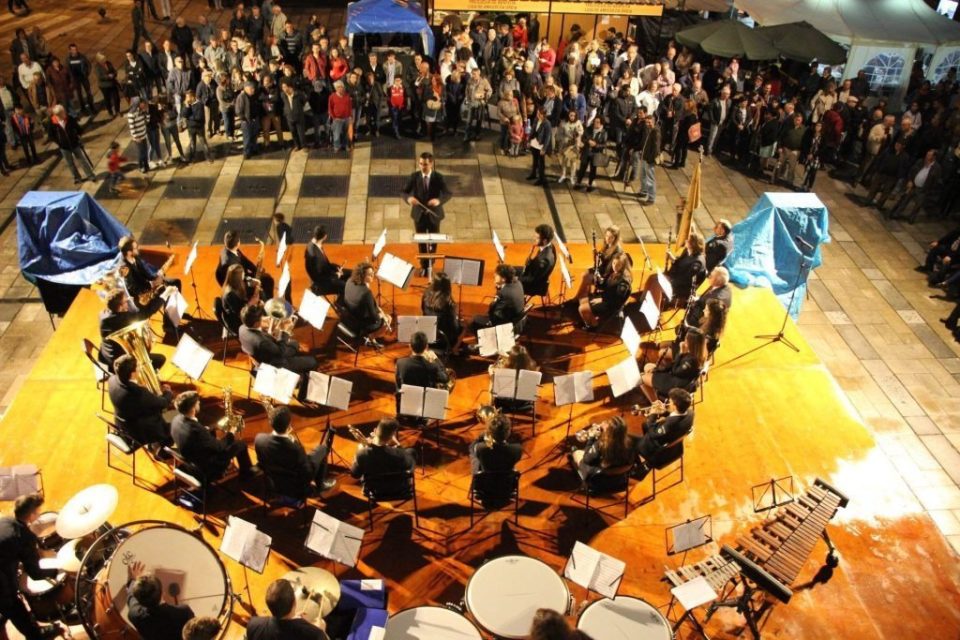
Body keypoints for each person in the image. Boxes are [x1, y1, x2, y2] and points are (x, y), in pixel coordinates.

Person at [0, 494, 63, 640]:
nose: (39, 514)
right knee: (15, 608)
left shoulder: (5, 520)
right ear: (32, 515)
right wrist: (57, 571)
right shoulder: (25, 536)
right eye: (38, 511)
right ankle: (36, 635)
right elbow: (35, 574)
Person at [238, 304, 319, 401]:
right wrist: (284, 331)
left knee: (295, 344)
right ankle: (302, 394)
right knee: (313, 362)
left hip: (262, 359)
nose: (263, 319)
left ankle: (299, 372)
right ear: (255, 323)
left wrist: (269, 330)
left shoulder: (242, 328)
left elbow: (264, 340)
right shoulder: (261, 342)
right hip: (275, 365)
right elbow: (281, 352)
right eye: (261, 318)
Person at [171, 391, 256, 481]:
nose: (199, 403)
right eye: (197, 403)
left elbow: (196, 437)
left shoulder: (176, 420)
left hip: (192, 460)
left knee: (212, 432)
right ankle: (247, 474)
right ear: (193, 408)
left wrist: (207, 430)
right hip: (208, 467)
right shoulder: (196, 430)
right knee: (241, 444)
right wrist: (231, 433)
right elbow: (219, 447)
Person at [254, 405, 336, 497]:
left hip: (272, 484)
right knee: (322, 449)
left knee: (311, 455)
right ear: (289, 425)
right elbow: (307, 474)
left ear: (271, 422)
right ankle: (320, 485)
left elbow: (261, 463)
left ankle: (320, 483)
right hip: (296, 489)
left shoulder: (259, 439)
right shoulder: (295, 448)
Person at [108, 354, 173, 449]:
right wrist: (168, 392)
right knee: (174, 420)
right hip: (139, 431)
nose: (139, 368)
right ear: (132, 374)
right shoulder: (138, 393)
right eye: (137, 367)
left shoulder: (112, 380)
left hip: (122, 424)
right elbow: (163, 403)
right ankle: (160, 446)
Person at [402, 152, 451, 275]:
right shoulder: (414, 176)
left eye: (425, 164)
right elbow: (404, 192)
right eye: (420, 164)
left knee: (433, 240)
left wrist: (438, 201)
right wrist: (409, 198)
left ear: (431, 164)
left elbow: (448, 193)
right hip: (419, 215)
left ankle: (431, 264)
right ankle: (424, 266)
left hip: (434, 215)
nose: (422, 167)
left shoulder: (438, 177)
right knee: (422, 241)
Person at [456, 264, 525, 352]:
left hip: (505, 324)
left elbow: (494, 314)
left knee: (473, 320)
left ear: (503, 279)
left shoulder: (504, 293)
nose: (494, 276)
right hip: (516, 321)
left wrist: (497, 295)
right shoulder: (518, 283)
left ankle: (484, 345)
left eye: (496, 275)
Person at [99, 289, 168, 370]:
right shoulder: (122, 319)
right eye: (125, 301)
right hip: (119, 362)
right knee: (161, 359)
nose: (128, 300)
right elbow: (145, 313)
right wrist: (164, 296)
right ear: (120, 307)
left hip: (106, 355)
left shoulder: (103, 313)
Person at [126, 560, 195, 640]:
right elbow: (196, 631)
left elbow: (131, 596)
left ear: (139, 600)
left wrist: (133, 580)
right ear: (162, 593)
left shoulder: (134, 615)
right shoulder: (183, 612)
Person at [245, 579, 329, 640]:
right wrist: (322, 631)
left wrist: (294, 620)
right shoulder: (315, 635)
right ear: (295, 602)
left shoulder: (253, 625)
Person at [634, 388, 694, 472]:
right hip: (676, 448)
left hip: (660, 454)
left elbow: (652, 433)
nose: (668, 402)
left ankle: (641, 467)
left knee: (630, 441)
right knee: (645, 425)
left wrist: (653, 414)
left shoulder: (669, 424)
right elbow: (676, 416)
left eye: (670, 401)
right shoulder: (691, 413)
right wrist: (665, 411)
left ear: (675, 406)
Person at [639, 331, 707, 404]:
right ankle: (655, 391)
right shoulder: (699, 355)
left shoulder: (691, 361)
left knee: (641, 379)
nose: (685, 340)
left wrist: (681, 353)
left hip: (675, 385)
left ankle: (656, 404)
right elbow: (675, 368)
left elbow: (675, 371)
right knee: (648, 367)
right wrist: (660, 370)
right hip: (679, 380)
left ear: (691, 343)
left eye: (686, 339)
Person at [578, 252, 633, 330]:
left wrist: (602, 299)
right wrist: (597, 280)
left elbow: (617, 300)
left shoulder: (624, 282)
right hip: (606, 297)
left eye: (618, 265)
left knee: (582, 308)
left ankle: (593, 326)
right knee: (582, 300)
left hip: (611, 305)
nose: (614, 266)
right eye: (614, 263)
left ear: (623, 266)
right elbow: (605, 286)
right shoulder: (615, 273)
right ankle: (588, 320)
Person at [119, 235, 181, 303]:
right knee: (166, 291)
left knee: (176, 282)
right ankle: (168, 307)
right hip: (143, 294)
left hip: (149, 284)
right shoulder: (125, 268)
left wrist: (156, 276)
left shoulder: (135, 256)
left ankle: (176, 305)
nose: (138, 249)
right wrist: (151, 284)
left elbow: (146, 272)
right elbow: (133, 289)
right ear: (129, 252)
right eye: (135, 248)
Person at [570, 415, 634, 481]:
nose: (603, 423)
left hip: (600, 480)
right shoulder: (629, 443)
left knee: (576, 452)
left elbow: (586, 460)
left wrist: (592, 438)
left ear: (609, 433)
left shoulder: (600, 445)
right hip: (620, 479)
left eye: (606, 423)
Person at [351, 417, 417, 480]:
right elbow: (406, 460)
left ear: (375, 430)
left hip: (374, 487)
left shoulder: (362, 454)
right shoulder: (404, 455)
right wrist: (397, 443)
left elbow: (355, 475)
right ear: (392, 436)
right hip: (397, 487)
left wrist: (361, 451)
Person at [216, 230, 274, 299]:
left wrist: (256, 269)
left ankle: (269, 299)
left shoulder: (231, 248)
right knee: (262, 291)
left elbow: (245, 261)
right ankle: (266, 301)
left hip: (243, 275)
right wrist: (253, 281)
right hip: (239, 286)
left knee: (268, 279)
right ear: (238, 243)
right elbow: (237, 281)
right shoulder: (229, 264)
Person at [341, 262, 389, 344]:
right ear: (362, 276)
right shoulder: (366, 293)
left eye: (373, 273)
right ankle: (371, 337)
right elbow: (375, 318)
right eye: (369, 274)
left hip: (350, 316)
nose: (373, 276)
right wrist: (382, 315)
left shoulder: (350, 280)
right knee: (388, 319)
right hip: (360, 324)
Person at [305, 225, 350, 296]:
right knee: (346, 287)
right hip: (323, 283)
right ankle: (341, 301)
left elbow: (326, 264)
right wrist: (335, 275)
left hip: (327, 273)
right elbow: (320, 276)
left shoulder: (314, 244)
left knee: (352, 273)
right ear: (325, 237)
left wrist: (336, 268)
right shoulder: (316, 255)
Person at [421, 271, 461, 348]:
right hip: (443, 341)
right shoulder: (449, 304)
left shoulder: (425, 296)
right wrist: (457, 319)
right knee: (464, 327)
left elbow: (423, 310)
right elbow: (454, 329)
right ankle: (455, 350)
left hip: (428, 336)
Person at [665, 231, 707, 304]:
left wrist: (670, 281)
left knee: (658, 287)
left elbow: (686, 280)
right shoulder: (687, 251)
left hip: (682, 287)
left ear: (693, 244)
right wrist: (672, 258)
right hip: (675, 279)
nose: (685, 241)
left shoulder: (698, 262)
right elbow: (679, 263)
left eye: (688, 240)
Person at [221, 263, 260, 335]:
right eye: (242, 274)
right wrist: (251, 302)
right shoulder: (229, 294)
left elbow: (246, 281)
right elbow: (240, 312)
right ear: (237, 278)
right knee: (258, 318)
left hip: (241, 306)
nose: (244, 274)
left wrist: (254, 282)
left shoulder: (235, 282)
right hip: (236, 319)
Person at [518, 224, 556, 295]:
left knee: (505, 281)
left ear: (544, 241)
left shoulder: (545, 259)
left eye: (537, 238)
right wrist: (530, 254)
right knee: (506, 270)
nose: (534, 239)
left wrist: (515, 279)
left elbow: (533, 279)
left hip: (534, 285)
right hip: (531, 271)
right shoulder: (548, 246)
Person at [574, 116, 608, 192]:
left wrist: (596, 145)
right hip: (586, 152)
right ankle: (578, 182)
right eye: (595, 121)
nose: (595, 123)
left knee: (593, 170)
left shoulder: (604, 133)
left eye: (598, 122)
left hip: (595, 154)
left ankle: (590, 184)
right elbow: (583, 138)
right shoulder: (589, 129)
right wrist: (588, 141)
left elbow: (604, 145)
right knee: (582, 168)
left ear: (601, 123)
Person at [527, 107, 551, 185]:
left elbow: (547, 137)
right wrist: (529, 140)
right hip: (534, 142)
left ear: (544, 114)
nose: (538, 115)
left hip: (541, 144)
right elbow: (532, 131)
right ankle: (533, 174)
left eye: (539, 114)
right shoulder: (536, 120)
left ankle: (541, 178)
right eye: (537, 113)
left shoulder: (547, 123)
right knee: (534, 160)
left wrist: (544, 149)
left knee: (541, 163)